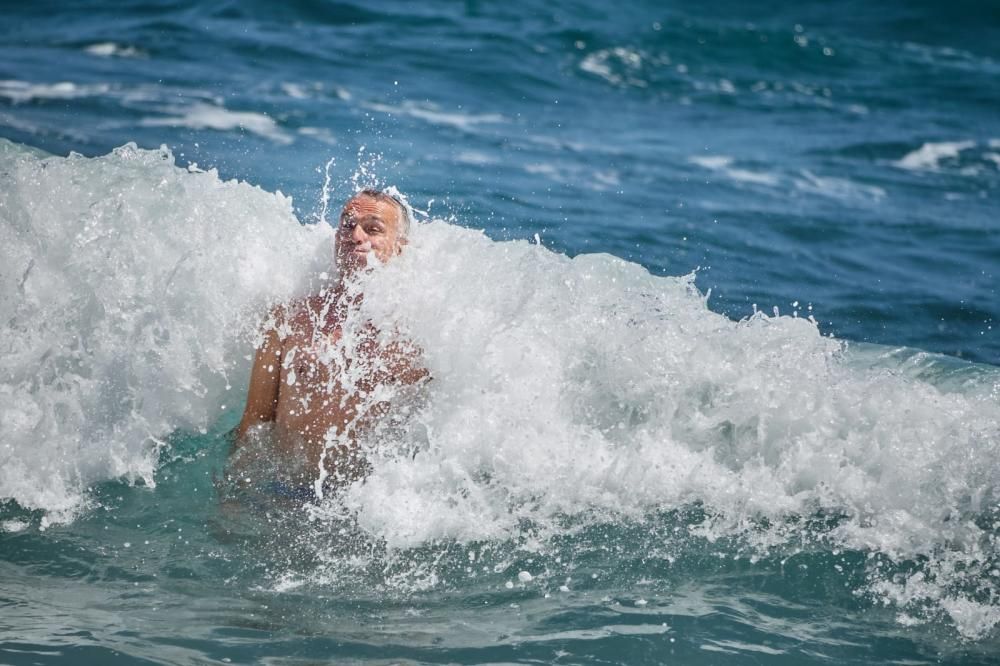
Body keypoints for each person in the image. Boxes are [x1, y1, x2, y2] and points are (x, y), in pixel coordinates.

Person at [228, 189, 427, 499]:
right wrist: (233, 494)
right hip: (279, 488)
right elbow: (255, 420)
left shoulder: (414, 338)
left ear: (399, 248)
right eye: (347, 225)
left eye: (372, 228)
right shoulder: (289, 319)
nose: (355, 235)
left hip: (360, 503)